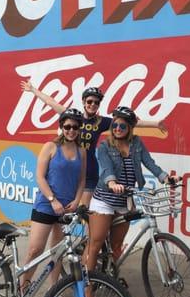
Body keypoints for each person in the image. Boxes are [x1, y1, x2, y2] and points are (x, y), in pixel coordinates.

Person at [84, 106, 178, 297]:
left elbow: (149, 163)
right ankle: (88, 288)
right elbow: (107, 168)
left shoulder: (136, 143)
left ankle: (110, 277)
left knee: (116, 247)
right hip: (105, 200)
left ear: (130, 128)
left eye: (122, 125)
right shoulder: (104, 145)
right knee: (96, 244)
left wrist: (166, 178)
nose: (117, 128)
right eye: (115, 124)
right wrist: (111, 182)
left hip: (125, 201)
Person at [20, 81, 167, 206]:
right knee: (65, 212)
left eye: (96, 102)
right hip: (70, 168)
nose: (92, 105)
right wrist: (33, 90)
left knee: (83, 212)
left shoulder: (102, 122)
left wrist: (155, 124)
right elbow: (51, 102)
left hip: (89, 169)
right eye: (89, 101)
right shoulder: (73, 118)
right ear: (84, 102)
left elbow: (126, 122)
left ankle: (85, 240)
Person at [20, 108, 86, 297]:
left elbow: (82, 180)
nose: (71, 130)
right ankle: (23, 286)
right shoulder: (50, 146)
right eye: (67, 126)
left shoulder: (82, 151)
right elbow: (39, 177)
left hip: (67, 209)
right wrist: (52, 200)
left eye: (75, 127)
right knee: (35, 249)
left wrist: (76, 201)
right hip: (46, 206)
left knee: (57, 252)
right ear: (61, 127)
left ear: (79, 129)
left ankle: (53, 289)